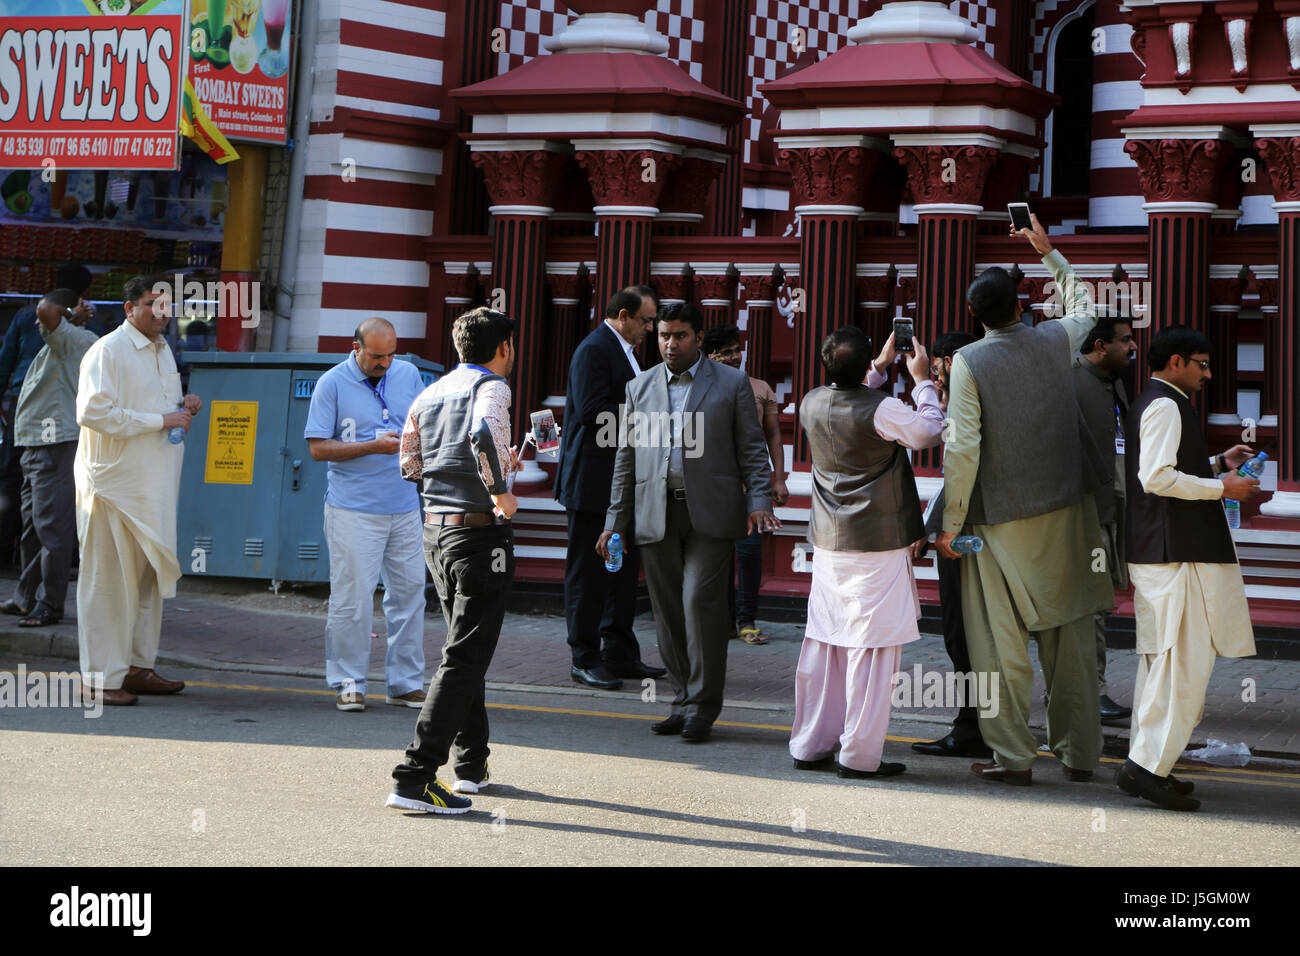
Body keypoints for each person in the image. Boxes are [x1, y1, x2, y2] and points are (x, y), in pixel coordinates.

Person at [938, 214, 1113, 785]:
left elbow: (963, 449)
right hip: (1068, 513)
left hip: (997, 524)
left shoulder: (969, 361)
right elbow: (1084, 306)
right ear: (1022, 304)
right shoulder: (1056, 339)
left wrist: (950, 525)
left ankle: (1013, 757)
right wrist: (1049, 253)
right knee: (1072, 642)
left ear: (975, 316)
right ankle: (1082, 754)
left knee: (998, 646)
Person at [597, 302, 779, 743]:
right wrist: (613, 522)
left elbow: (752, 449)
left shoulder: (732, 383)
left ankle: (702, 705)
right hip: (655, 510)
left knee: (700, 603)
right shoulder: (639, 387)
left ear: (698, 337)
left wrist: (758, 499)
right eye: (662, 336)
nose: (670, 344)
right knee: (667, 610)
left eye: (679, 336)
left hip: (711, 512)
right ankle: (681, 699)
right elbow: (626, 459)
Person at [1116, 326, 1258, 811]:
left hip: (1166, 551)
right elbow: (1156, 478)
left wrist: (1218, 462)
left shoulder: (1158, 400)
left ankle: (1150, 761)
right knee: (1182, 667)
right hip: (1174, 554)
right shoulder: (1165, 404)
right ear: (1176, 361)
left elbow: (1168, 468)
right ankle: (1146, 768)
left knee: (1163, 665)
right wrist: (1224, 488)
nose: (1208, 372)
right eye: (1201, 362)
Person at [792, 327, 944, 778]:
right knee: (873, 649)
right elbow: (928, 432)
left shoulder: (811, 401)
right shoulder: (885, 410)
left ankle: (810, 743)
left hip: (829, 540)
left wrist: (875, 368)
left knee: (826, 642)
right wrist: (921, 380)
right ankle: (858, 757)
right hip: (877, 541)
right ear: (863, 367)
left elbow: (851, 397)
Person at [387, 307, 519, 814]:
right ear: (502, 348)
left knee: (465, 651)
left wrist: (481, 469)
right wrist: (500, 488)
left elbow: (409, 464)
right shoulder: (493, 388)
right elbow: (484, 435)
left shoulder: (430, 390)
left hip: (434, 531)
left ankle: (471, 765)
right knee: (464, 656)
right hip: (477, 535)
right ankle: (414, 777)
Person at [74, 275, 200, 706]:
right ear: (130, 309)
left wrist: (184, 407)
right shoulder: (107, 350)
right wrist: (161, 420)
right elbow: (93, 412)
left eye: (167, 306)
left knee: (146, 581)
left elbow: (158, 410)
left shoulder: (163, 349)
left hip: (154, 489)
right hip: (113, 488)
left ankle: (136, 667)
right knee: (109, 583)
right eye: (152, 304)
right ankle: (98, 680)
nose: (162, 313)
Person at [305, 317, 428, 713]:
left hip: (406, 506)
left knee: (410, 596)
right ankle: (348, 682)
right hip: (352, 510)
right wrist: (370, 447)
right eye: (377, 355)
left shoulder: (409, 374)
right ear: (354, 347)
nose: (386, 363)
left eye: (391, 354)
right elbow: (318, 448)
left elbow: (425, 427)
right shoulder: (331, 383)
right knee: (351, 600)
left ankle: (405, 683)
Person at [554, 285, 665, 689]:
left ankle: (618, 652)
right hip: (593, 483)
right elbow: (591, 412)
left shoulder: (624, 351)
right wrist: (652, 422)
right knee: (589, 572)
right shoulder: (595, 349)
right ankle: (583, 656)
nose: (650, 329)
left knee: (621, 570)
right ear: (623, 315)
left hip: (623, 483)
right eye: (646, 320)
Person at [907, 330, 992, 759]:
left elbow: (959, 469)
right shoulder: (984, 395)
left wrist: (935, 527)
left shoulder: (965, 402)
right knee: (979, 636)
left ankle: (972, 726)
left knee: (962, 632)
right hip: (984, 535)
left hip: (962, 539)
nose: (937, 377)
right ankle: (982, 723)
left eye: (939, 367)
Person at [2, 289, 98, 627]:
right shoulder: (65, 339)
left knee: (50, 528)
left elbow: (44, 310)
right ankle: (26, 597)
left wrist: (72, 313)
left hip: (54, 442)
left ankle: (50, 604)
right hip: (36, 444)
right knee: (33, 526)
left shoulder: (70, 337)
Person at [702, 324, 789, 645]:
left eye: (736, 350)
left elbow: (774, 436)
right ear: (710, 356)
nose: (734, 356)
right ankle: (723, 620)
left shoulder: (760, 388)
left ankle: (747, 619)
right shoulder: (701, 387)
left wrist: (778, 477)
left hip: (753, 485)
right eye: (725, 352)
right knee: (716, 556)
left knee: (750, 553)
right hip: (714, 486)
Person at [1073, 315, 1137, 724]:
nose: (1131, 347)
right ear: (1100, 346)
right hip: (1082, 516)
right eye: (1124, 341)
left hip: (1113, 510)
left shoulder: (1113, 383)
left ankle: (1085, 690)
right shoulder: (1070, 383)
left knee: (1100, 604)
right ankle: (1087, 692)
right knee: (1089, 606)